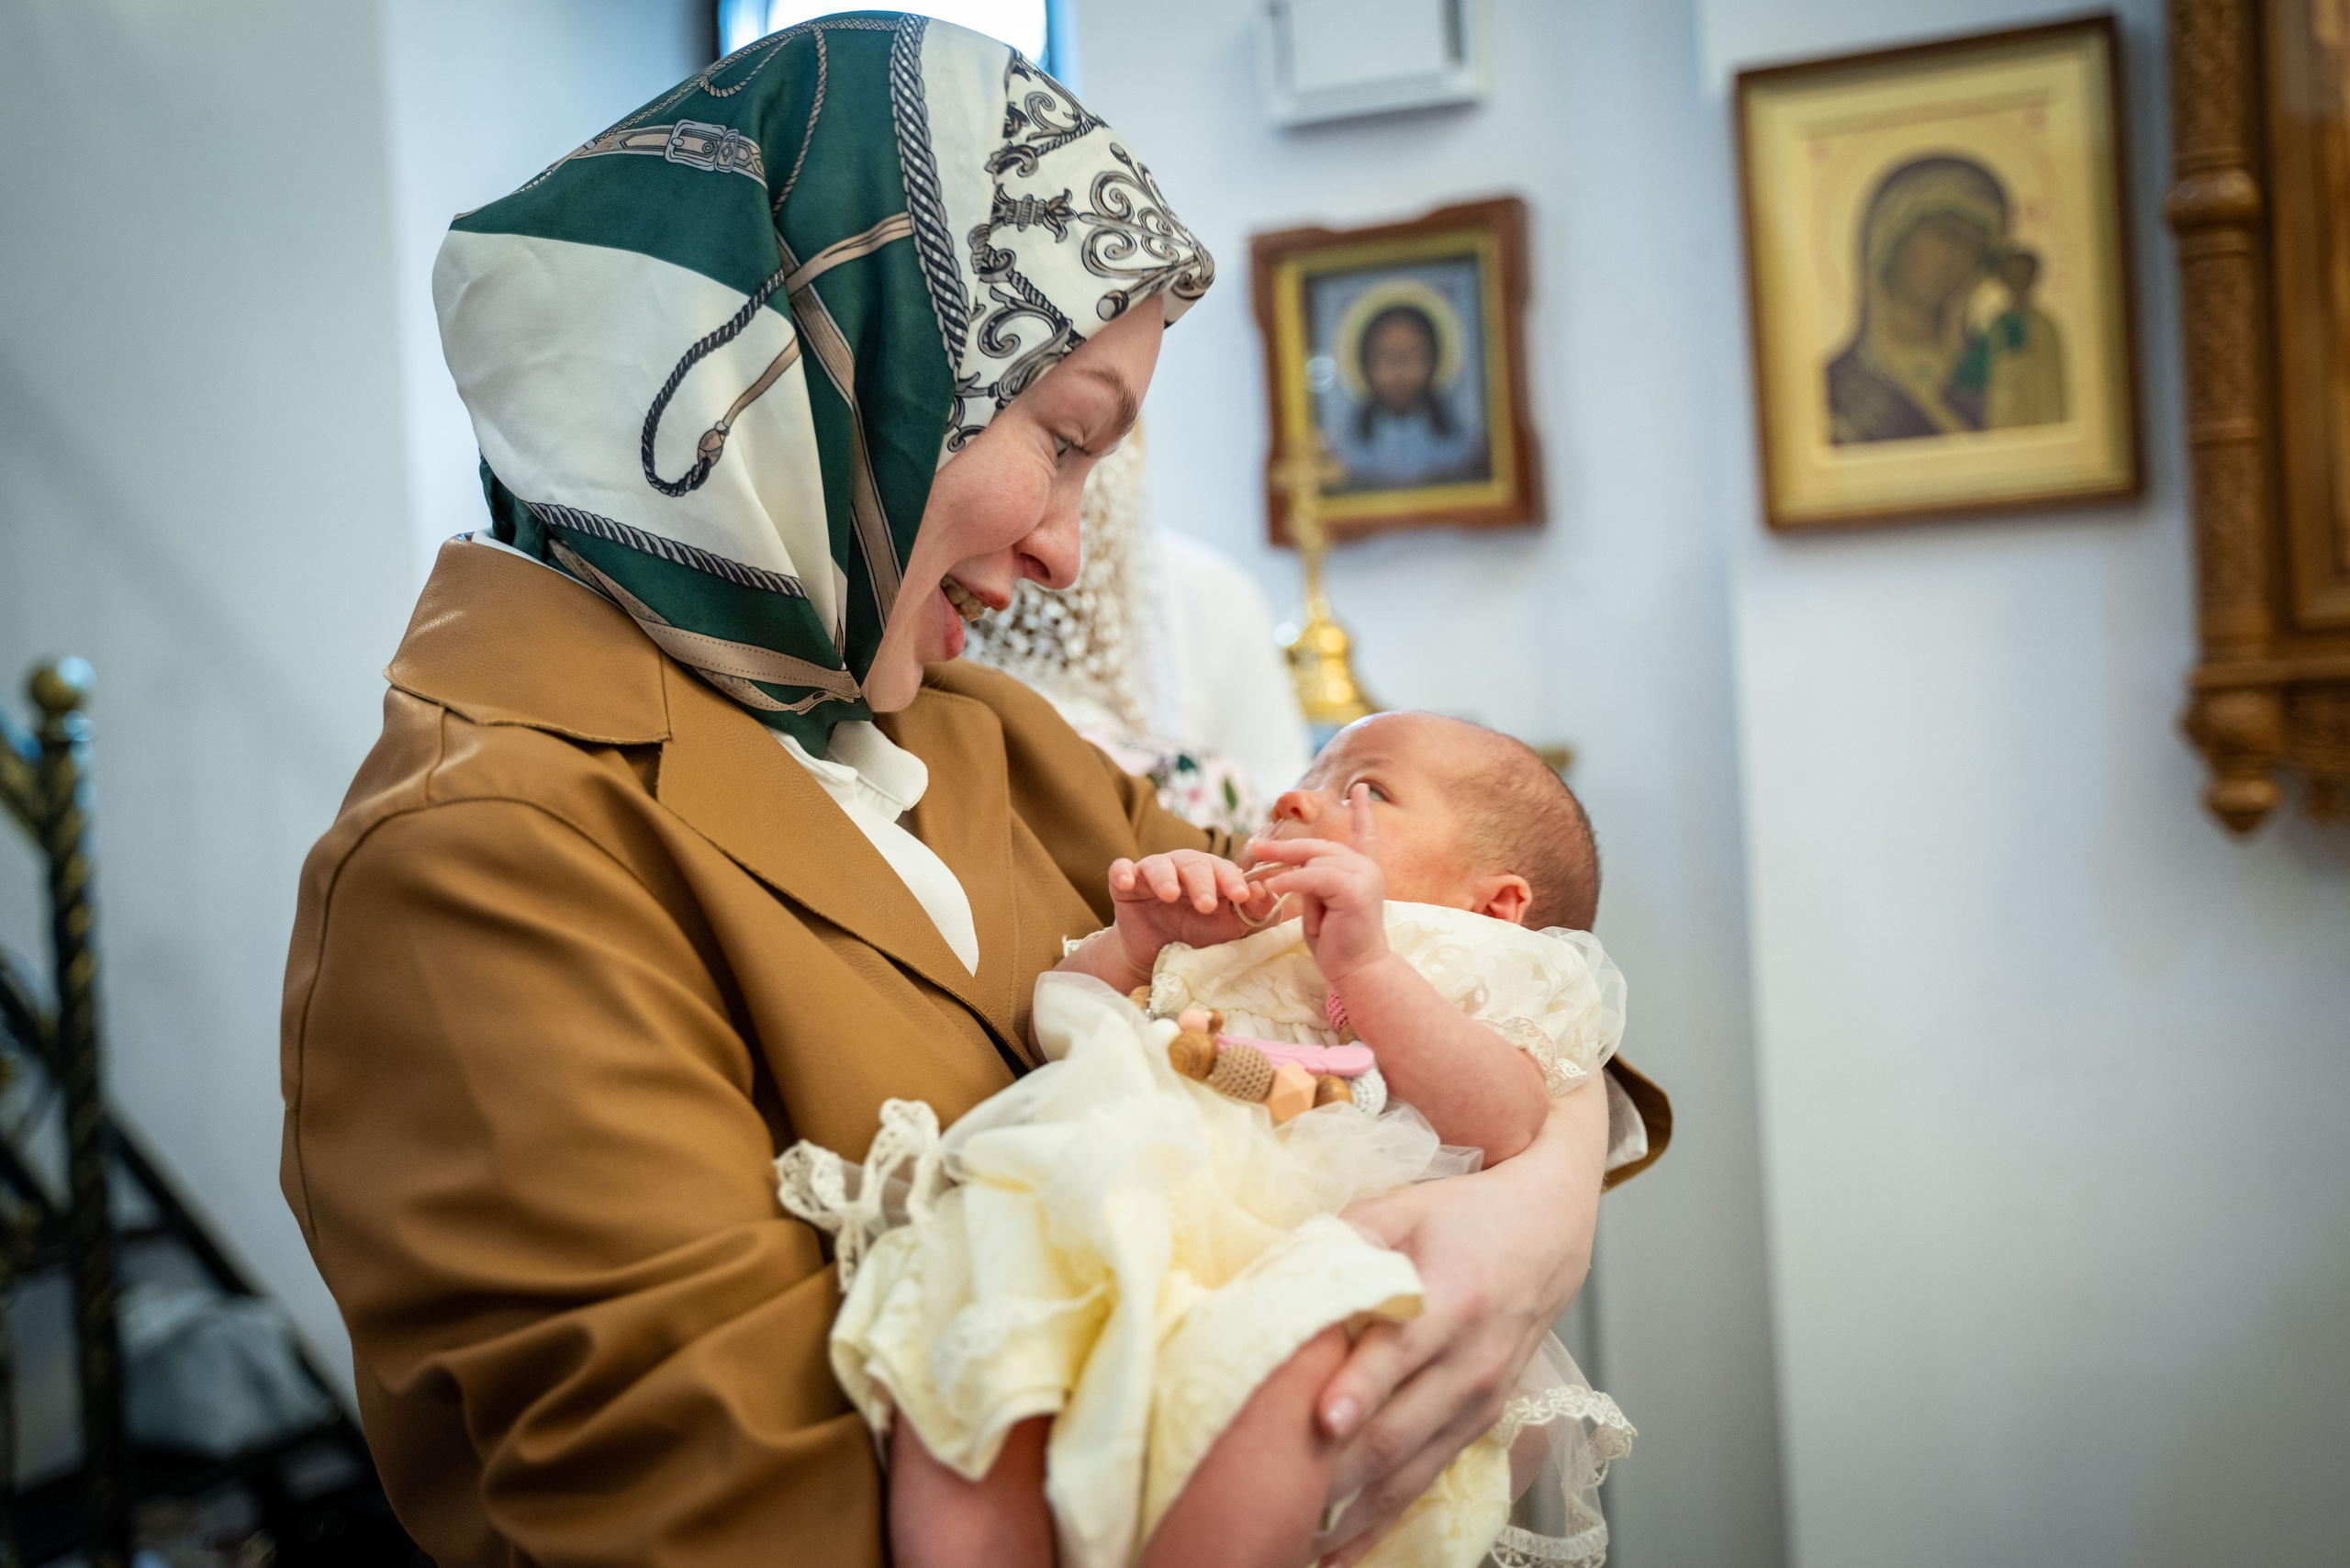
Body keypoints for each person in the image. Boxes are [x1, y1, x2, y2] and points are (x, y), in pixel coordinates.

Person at [279, 16, 1669, 1567]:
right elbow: (732, 1518)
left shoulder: (982, 734)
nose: (1070, 548)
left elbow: (1421, 961)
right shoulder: (480, 860)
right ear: (828, 364)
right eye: (1063, 440)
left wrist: (1532, 1212)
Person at [782, 712, 1642, 1568]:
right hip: (1111, 1202)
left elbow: (1505, 1119)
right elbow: (1059, 1029)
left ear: (1496, 902)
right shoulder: (1238, 913)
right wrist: (1133, 947)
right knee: (977, 1343)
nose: (1294, 800)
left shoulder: (1474, 956)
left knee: (1285, 1377)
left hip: (1298, 1241)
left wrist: (1369, 967)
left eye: (1366, 790)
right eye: (1311, 773)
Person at [1825, 155, 2010, 443]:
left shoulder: (1991, 373)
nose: (1957, 259)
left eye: (1975, 247)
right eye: (1946, 235)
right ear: (1891, 236)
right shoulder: (1839, 387)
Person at [1331, 301, 1487, 489]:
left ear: (1434, 361)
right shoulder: (1343, 444)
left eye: (1414, 355)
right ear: (1365, 365)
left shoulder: (1464, 442)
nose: (1400, 371)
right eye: (1386, 356)